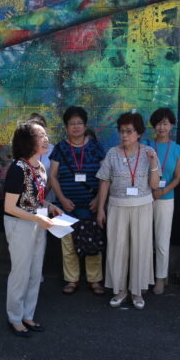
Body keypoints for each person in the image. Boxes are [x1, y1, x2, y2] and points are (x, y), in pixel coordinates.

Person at [96, 112, 161, 309]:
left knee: (140, 249)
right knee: (118, 248)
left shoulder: (149, 152)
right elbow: (104, 182)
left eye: (129, 131)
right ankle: (120, 290)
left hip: (142, 206)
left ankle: (137, 291)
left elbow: (155, 185)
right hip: (117, 206)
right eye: (122, 131)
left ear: (139, 133)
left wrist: (153, 164)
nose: (124, 135)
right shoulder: (113, 153)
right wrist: (101, 209)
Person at [3, 121, 61, 336]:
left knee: (35, 272)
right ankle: (15, 318)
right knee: (21, 272)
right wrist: (38, 219)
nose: (46, 139)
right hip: (20, 225)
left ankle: (28, 315)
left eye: (46, 135)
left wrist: (50, 206)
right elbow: (10, 207)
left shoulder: (41, 167)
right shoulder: (18, 168)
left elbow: (34, 200)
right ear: (28, 141)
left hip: (37, 222)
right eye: (40, 136)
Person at [49, 106, 106, 296]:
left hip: (91, 205)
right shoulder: (60, 148)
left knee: (93, 243)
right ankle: (71, 279)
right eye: (72, 124)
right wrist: (63, 200)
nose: (75, 127)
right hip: (65, 207)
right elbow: (53, 176)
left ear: (85, 125)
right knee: (68, 244)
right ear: (66, 127)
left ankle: (95, 280)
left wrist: (99, 199)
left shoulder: (95, 147)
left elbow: (105, 176)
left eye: (79, 123)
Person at [142, 108, 180, 295]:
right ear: (154, 125)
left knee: (161, 240)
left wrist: (162, 191)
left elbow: (177, 177)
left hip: (166, 198)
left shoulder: (178, 150)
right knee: (142, 240)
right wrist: (152, 192)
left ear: (172, 126)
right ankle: (142, 277)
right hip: (144, 197)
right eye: (159, 123)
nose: (162, 127)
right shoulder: (145, 145)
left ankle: (160, 278)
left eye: (166, 123)